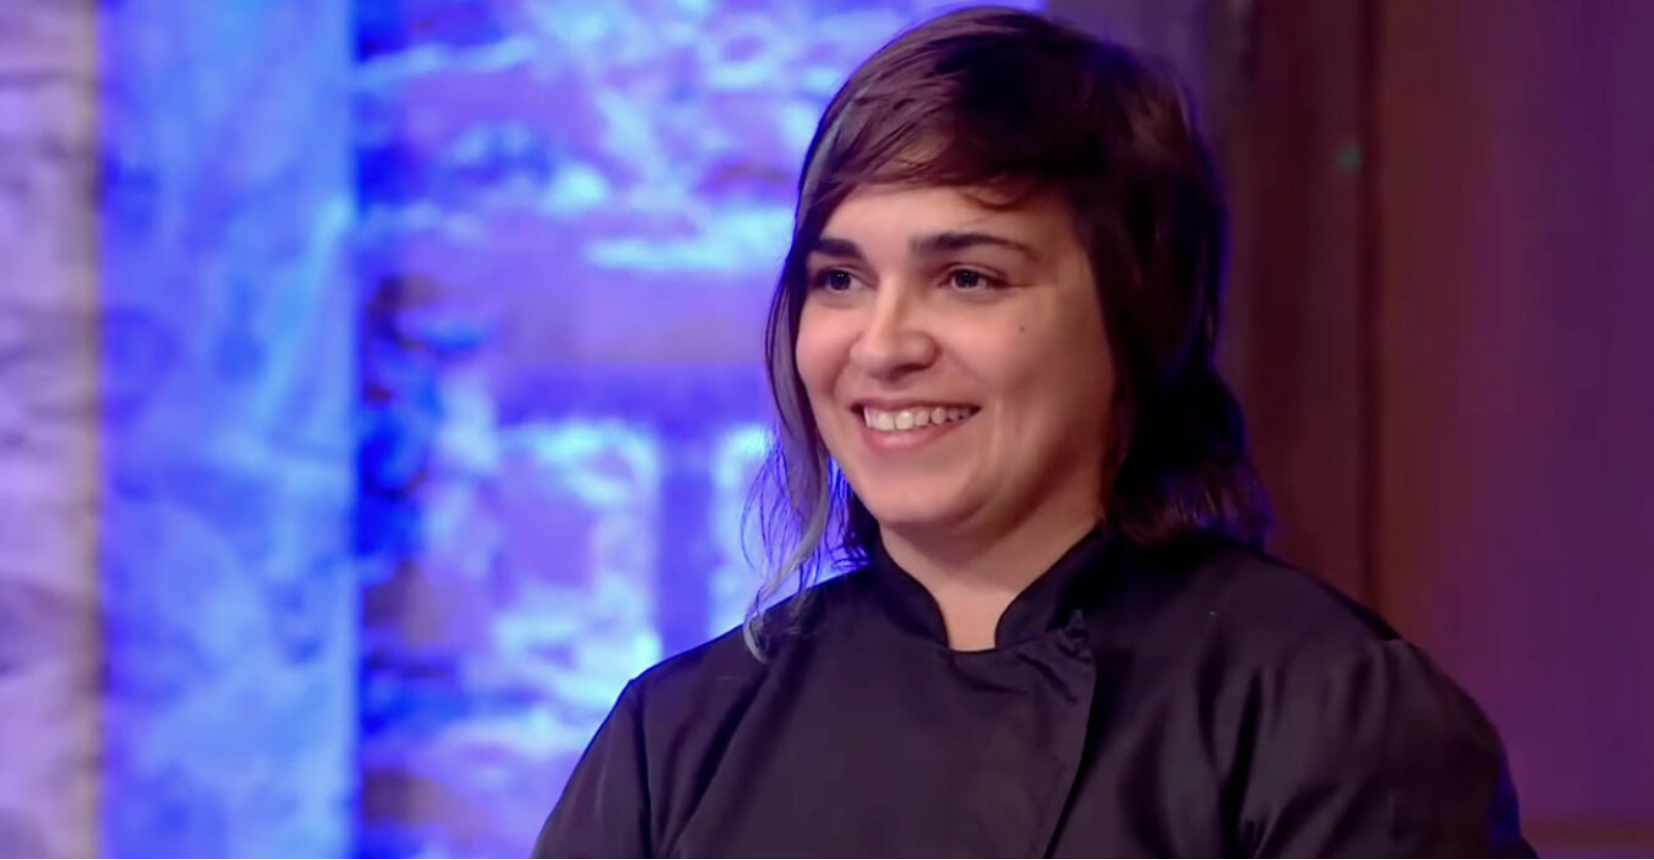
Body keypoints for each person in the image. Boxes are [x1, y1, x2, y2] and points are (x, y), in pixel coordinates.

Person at [534, 5, 1532, 857]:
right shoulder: (674, 743)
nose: (882, 345)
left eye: (968, 277)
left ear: (1139, 314)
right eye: (840, 279)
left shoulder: (1328, 717)